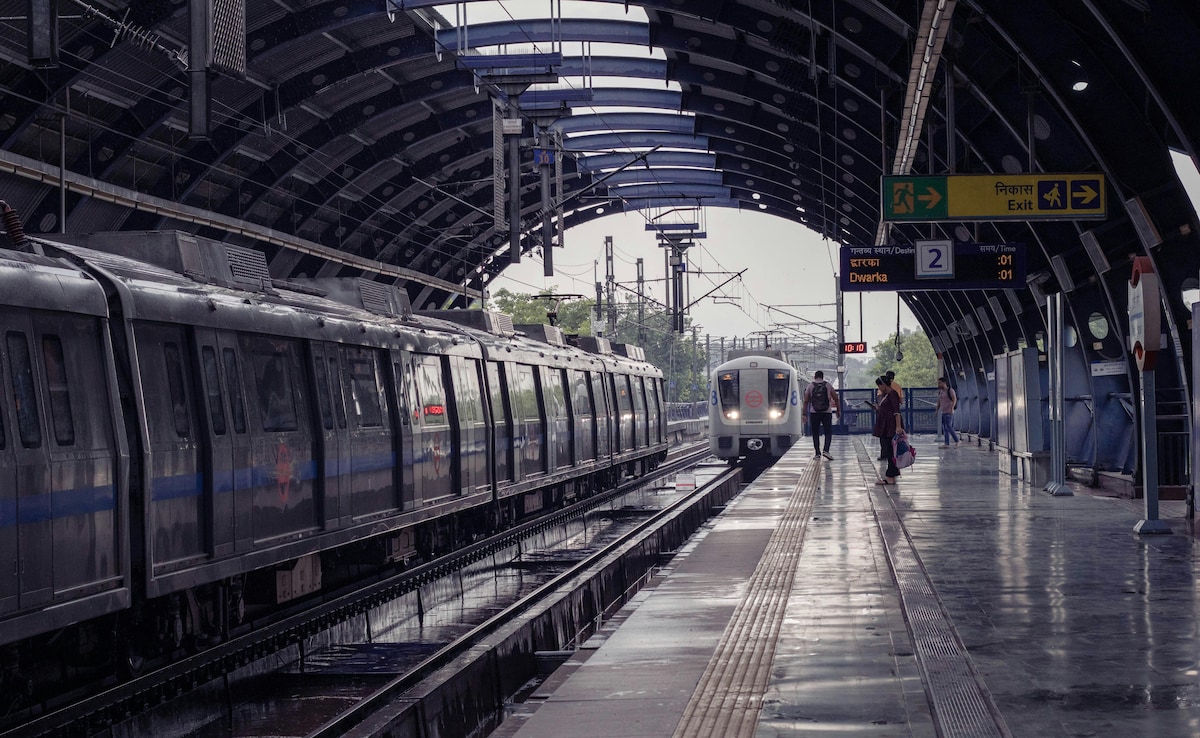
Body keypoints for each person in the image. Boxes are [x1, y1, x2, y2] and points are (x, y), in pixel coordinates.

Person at [802, 370, 840, 459]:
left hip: (814, 413)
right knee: (828, 432)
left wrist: (804, 414)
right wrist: (838, 410)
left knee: (815, 433)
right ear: (822, 377)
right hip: (826, 412)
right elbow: (836, 398)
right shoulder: (828, 385)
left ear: (815, 377)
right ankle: (826, 450)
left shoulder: (810, 386)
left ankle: (817, 453)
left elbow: (806, 401)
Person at [873, 376, 901, 485]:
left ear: (884, 384)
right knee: (889, 450)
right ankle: (892, 475)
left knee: (889, 450)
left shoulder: (892, 394)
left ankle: (890, 476)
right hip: (886, 425)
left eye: (879, 386)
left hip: (891, 425)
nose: (879, 388)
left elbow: (896, 411)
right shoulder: (887, 395)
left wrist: (898, 426)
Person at [936, 376, 960, 448]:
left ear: (944, 383)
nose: (939, 385)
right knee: (945, 428)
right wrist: (937, 410)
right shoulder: (940, 392)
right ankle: (946, 443)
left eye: (940, 383)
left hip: (949, 411)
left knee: (948, 426)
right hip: (943, 412)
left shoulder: (950, 390)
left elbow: (954, 399)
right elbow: (939, 402)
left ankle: (957, 440)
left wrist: (951, 408)